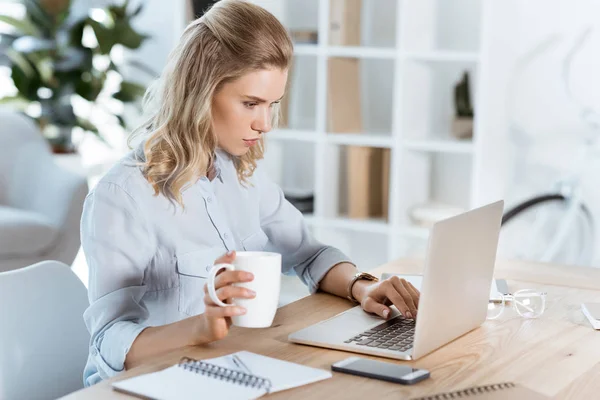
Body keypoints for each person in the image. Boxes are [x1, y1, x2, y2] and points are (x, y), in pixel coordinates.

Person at [81, 0, 420, 386]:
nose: (265, 124)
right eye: (251, 104)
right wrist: (201, 327)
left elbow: (308, 254)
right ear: (200, 93)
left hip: (240, 370)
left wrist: (363, 285)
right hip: (153, 386)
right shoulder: (122, 198)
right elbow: (109, 341)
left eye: (272, 104)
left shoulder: (238, 172)